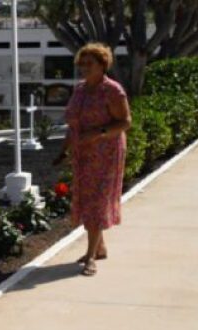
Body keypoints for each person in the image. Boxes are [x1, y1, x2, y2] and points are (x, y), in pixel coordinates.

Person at [53, 43, 131, 276]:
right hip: (83, 153)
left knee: (97, 201)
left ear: (102, 64)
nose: (84, 68)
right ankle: (101, 247)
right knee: (88, 200)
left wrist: (98, 133)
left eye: (90, 63)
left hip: (105, 153)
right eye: (82, 63)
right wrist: (63, 150)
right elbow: (74, 125)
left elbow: (125, 122)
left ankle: (90, 257)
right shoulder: (79, 89)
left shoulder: (113, 90)